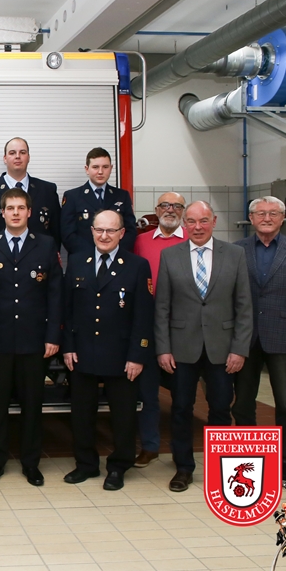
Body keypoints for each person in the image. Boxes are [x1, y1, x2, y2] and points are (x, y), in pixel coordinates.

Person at [155, 201, 252, 493]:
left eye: (204, 221)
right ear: (184, 223)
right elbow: (162, 307)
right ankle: (183, 467)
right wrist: (163, 348)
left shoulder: (235, 255)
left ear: (214, 221)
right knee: (182, 409)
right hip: (181, 348)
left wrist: (240, 349)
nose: (197, 227)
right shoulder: (170, 256)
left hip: (223, 349)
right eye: (192, 221)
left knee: (220, 409)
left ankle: (222, 468)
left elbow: (244, 306)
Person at [0, 187, 62, 487]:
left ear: (29, 212)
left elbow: (54, 295)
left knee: (32, 406)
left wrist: (52, 336)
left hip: (34, 342)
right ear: (1, 213)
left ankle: (30, 463)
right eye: (9, 208)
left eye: (20, 208)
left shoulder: (47, 245)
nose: (14, 212)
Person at [62, 210, 154, 491]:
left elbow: (143, 316)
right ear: (91, 231)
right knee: (81, 414)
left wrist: (138, 355)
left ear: (122, 233)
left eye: (110, 231)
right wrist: (67, 347)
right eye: (99, 230)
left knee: (123, 416)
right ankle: (86, 464)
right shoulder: (77, 262)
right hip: (82, 353)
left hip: (121, 355)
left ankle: (118, 466)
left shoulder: (138, 266)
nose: (104, 236)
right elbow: (67, 309)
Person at [233, 196, 286, 480]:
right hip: (246, 338)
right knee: (243, 401)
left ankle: (285, 463)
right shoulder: (236, 250)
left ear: (283, 218)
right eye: (260, 213)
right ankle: (248, 458)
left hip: (284, 337)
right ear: (252, 218)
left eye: (273, 213)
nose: (266, 218)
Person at [131, 191, 187, 469]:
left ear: (183, 211)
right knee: (148, 393)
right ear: (156, 209)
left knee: (181, 395)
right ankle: (150, 446)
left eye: (177, 206)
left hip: (181, 329)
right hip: (148, 327)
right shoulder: (139, 242)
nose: (170, 210)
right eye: (165, 205)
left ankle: (181, 450)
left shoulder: (193, 240)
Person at [0, 136, 61, 246]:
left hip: (38, 259)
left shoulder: (47, 190)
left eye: (22, 152)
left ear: (28, 157)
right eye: (12, 153)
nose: (17, 156)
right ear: (5, 158)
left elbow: (57, 232)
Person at [61, 147, 137, 256]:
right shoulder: (72, 196)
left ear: (111, 168)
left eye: (105, 167)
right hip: (83, 260)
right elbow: (67, 234)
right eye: (95, 167)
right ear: (87, 169)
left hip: (116, 259)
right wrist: (95, 255)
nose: (100, 172)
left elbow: (130, 231)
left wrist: (113, 252)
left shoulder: (122, 196)